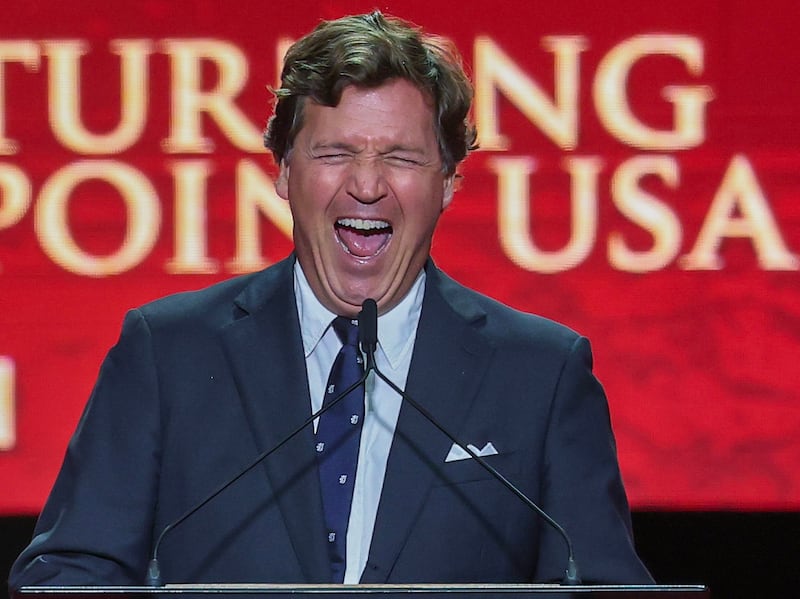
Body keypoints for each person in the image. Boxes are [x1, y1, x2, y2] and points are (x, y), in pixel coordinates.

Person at [9, 11, 652, 590]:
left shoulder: (540, 372)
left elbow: (598, 582)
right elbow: (67, 575)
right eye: (335, 153)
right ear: (284, 172)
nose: (366, 186)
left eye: (400, 156)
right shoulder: (168, 352)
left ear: (450, 181)